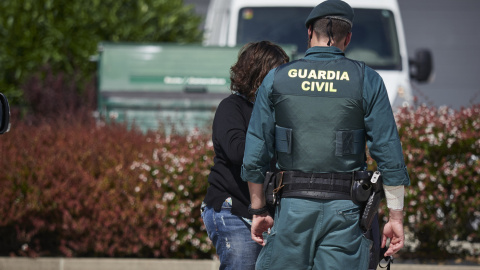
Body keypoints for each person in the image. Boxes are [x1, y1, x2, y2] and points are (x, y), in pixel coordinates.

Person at [240, 1, 410, 269]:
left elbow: (255, 153)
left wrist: (258, 209)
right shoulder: (367, 79)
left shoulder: (276, 78)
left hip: (293, 209)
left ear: (309, 32)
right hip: (345, 212)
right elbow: (388, 153)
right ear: (348, 37)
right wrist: (396, 218)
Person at [201, 41, 289, 270]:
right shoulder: (231, 107)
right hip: (233, 210)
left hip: (269, 214)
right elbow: (238, 152)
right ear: (257, 74)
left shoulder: (283, 111)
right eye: (277, 73)